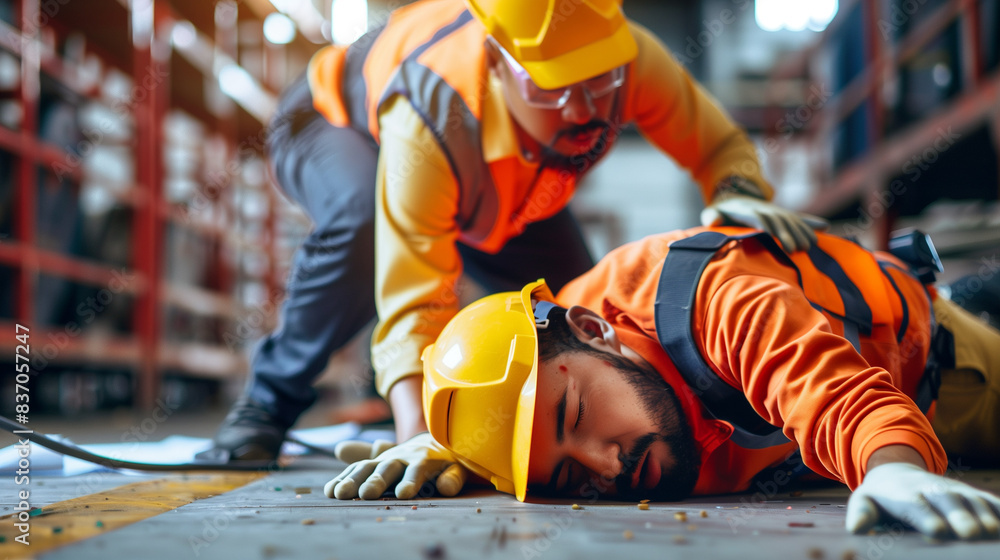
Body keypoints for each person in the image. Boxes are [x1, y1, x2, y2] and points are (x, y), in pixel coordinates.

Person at [208, 0, 823, 481]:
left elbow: (718, 147)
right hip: (334, 123)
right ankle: (265, 406)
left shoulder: (623, 56)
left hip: (504, 185)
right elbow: (413, 299)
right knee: (361, 224)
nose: (585, 109)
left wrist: (741, 189)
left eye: (599, 82)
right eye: (555, 87)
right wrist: (423, 438)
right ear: (499, 61)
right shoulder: (431, 115)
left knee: (571, 318)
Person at [330, 226, 1000, 541]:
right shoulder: (555, 372)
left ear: (596, 329)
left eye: (576, 417)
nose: (604, 465)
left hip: (942, 371)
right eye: (568, 479)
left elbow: (831, 392)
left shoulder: (711, 302)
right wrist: (454, 450)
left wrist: (891, 468)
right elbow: (527, 436)